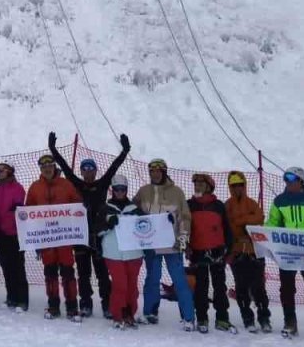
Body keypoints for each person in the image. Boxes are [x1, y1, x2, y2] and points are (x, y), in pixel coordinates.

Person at [47, 131, 131, 317]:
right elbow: (64, 168)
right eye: (84, 169)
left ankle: (107, 304)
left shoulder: (102, 184)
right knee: (83, 274)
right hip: (81, 237)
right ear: (82, 172)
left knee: (102, 274)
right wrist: (53, 149)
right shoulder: (76, 184)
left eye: (90, 169)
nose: (87, 172)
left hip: (100, 236)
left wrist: (125, 151)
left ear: (94, 171)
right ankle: (85, 303)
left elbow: (113, 168)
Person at [134, 158, 197, 329]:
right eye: (152, 171)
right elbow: (132, 210)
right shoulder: (144, 191)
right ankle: (150, 313)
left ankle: (188, 317)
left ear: (164, 172)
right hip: (151, 245)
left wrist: (183, 239)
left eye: (157, 171)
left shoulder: (176, 192)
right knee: (152, 279)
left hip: (172, 245)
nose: (154, 174)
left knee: (179, 280)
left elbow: (185, 217)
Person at [266, 166, 304, 338]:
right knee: (286, 289)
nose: (288, 183)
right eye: (286, 179)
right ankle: (290, 323)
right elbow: (273, 223)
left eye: (292, 179)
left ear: (301, 181)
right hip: (287, 252)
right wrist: (267, 237)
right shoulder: (279, 201)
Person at [27, 152, 84, 321]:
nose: (46, 169)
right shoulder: (35, 187)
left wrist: (80, 209)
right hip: (46, 239)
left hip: (64, 239)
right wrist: (34, 236)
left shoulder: (66, 185)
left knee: (68, 272)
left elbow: (77, 204)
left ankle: (72, 307)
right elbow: (28, 211)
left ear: (54, 167)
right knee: (50, 273)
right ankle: (53, 306)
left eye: (49, 166)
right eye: (43, 167)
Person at [226, 170, 273, 332]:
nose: (237, 188)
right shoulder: (228, 205)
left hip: (254, 251)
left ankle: (264, 318)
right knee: (241, 287)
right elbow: (228, 226)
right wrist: (246, 222)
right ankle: (247, 318)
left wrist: (240, 222)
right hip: (237, 251)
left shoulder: (252, 203)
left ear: (244, 185)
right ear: (230, 187)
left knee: (259, 286)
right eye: (234, 185)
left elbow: (259, 219)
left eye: (240, 185)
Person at [188, 173, 233, 333]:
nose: (197, 186)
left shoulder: (218, 206)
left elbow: (227, 229)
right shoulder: (189, 205)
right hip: (197, 251)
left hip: (217, 251)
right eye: (196, 184)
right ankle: (201, 317)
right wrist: (186, 246)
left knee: (219, 286)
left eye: (201, 184)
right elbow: (184, 228)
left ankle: (222, 317)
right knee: (200, 286)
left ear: (209, 186)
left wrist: (229, 248)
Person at [100, 174, 145, 329]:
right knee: (120, 285)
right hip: (114, 254)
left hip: (134, 254)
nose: (120, 192)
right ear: (112, 190)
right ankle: (117, 315)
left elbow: (148, 227)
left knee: (132, 286)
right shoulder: (105, 208)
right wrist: (108, 225)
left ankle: (129, 313)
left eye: (123, 189)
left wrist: (165, 221)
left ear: (126, 190)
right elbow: (96, 231)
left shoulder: (135, 209)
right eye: (117, 189)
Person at [0, 161, 27, 312]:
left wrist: (16, 208)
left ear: (9, 171)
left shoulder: (17, 188)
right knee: (5, 266)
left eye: (1, 170)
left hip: (14, 233)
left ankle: (22, 300)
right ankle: (11, 297)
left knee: (17, 267)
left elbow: (19, 206)